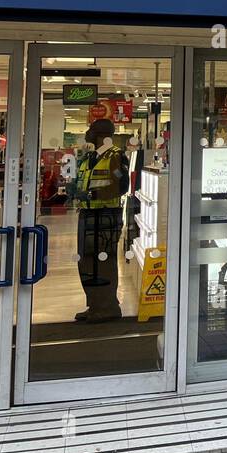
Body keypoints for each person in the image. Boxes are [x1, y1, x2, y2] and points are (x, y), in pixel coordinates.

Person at [74, 118, 127, 322]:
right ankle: (95, 304)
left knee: (103, 262)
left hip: (106, 216)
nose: (87, 133)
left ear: (100, 134)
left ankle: (108, 307)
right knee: (87, 263)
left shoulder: (115, 156)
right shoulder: (89, 158)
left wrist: (93, 195)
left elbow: (120, 186)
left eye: (91, 130)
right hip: (88, 215)